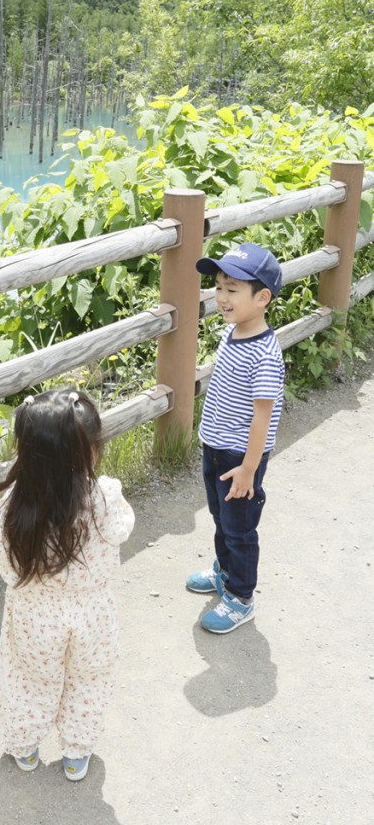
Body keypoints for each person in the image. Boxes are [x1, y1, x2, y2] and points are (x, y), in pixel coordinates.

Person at [0, 388, 135, 781]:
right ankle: (76, 752)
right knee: (88, 679)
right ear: (87, 450)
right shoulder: (103, 498)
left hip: (33, 614)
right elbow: (124, 527)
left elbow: (7, 565)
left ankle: (25, 748)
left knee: (28, 678)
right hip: (92, 615)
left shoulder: (11, 510)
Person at [187, 242, 285, 634]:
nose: (221, 297)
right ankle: (225, 571)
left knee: (239, 528)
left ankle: (241, 596)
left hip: (239, 459)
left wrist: (248, 468)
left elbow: (263, 416)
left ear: (262, 298)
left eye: (232, 290)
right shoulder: (233, 333)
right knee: (220, 517)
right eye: (219, 286)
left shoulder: (264, 353)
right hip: (215, 448)